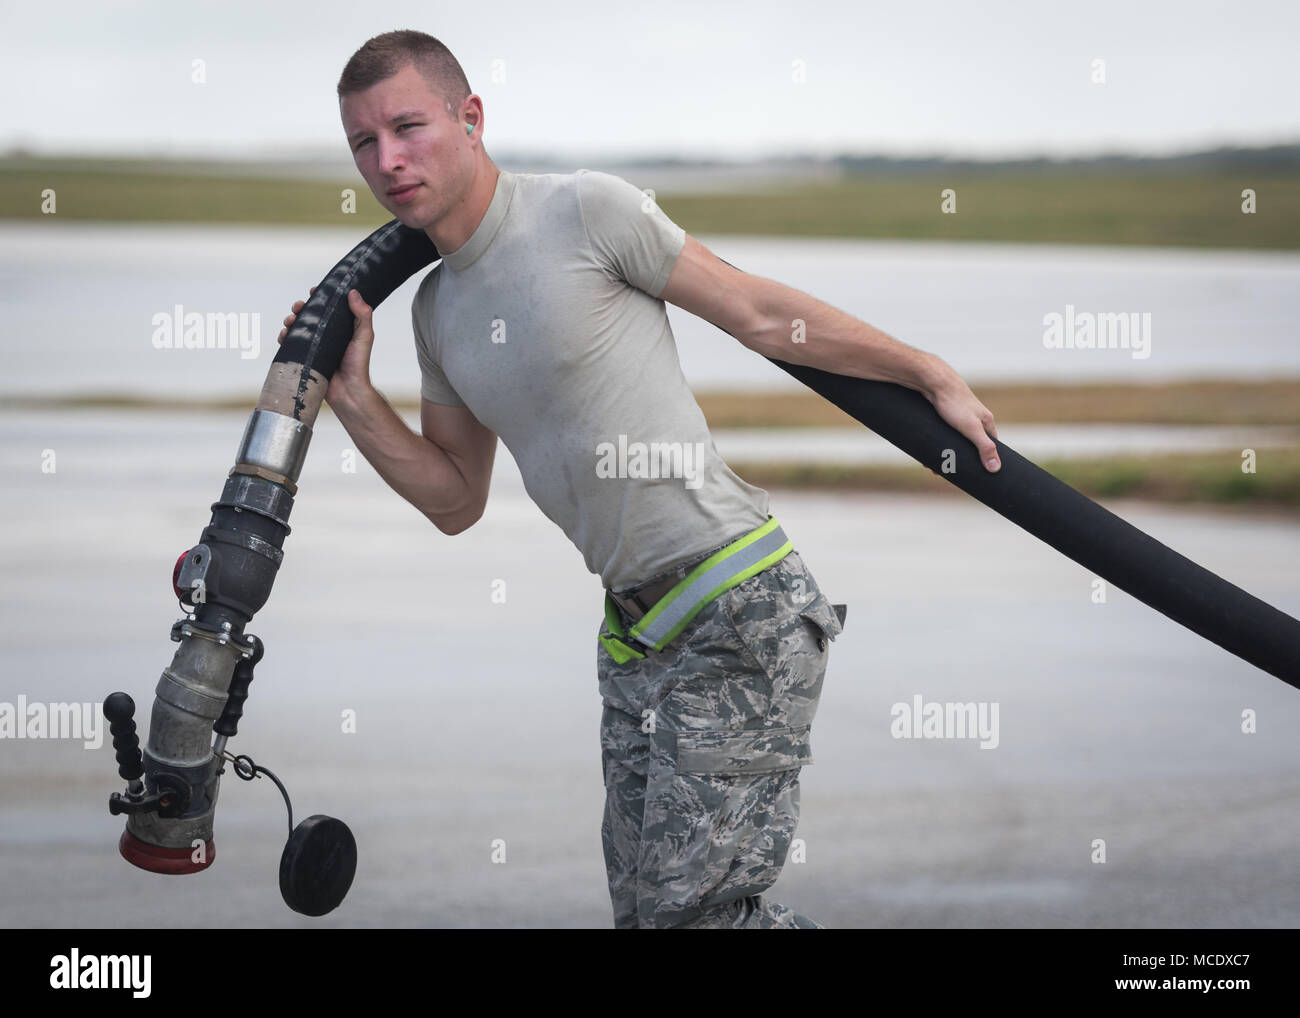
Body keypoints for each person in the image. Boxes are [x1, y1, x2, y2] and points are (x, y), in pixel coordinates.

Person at [278, 29, 1001, 928]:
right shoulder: (435, 311)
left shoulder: (585, 211)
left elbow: (760, 314)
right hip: (633, 638)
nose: (387, 161)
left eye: (408, 127)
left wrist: (925, 369)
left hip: (738, 606)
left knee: (691, 920)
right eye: (363, 143)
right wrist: (352, 395)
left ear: (470, 118)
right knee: (655, 921)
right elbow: (456, 498)